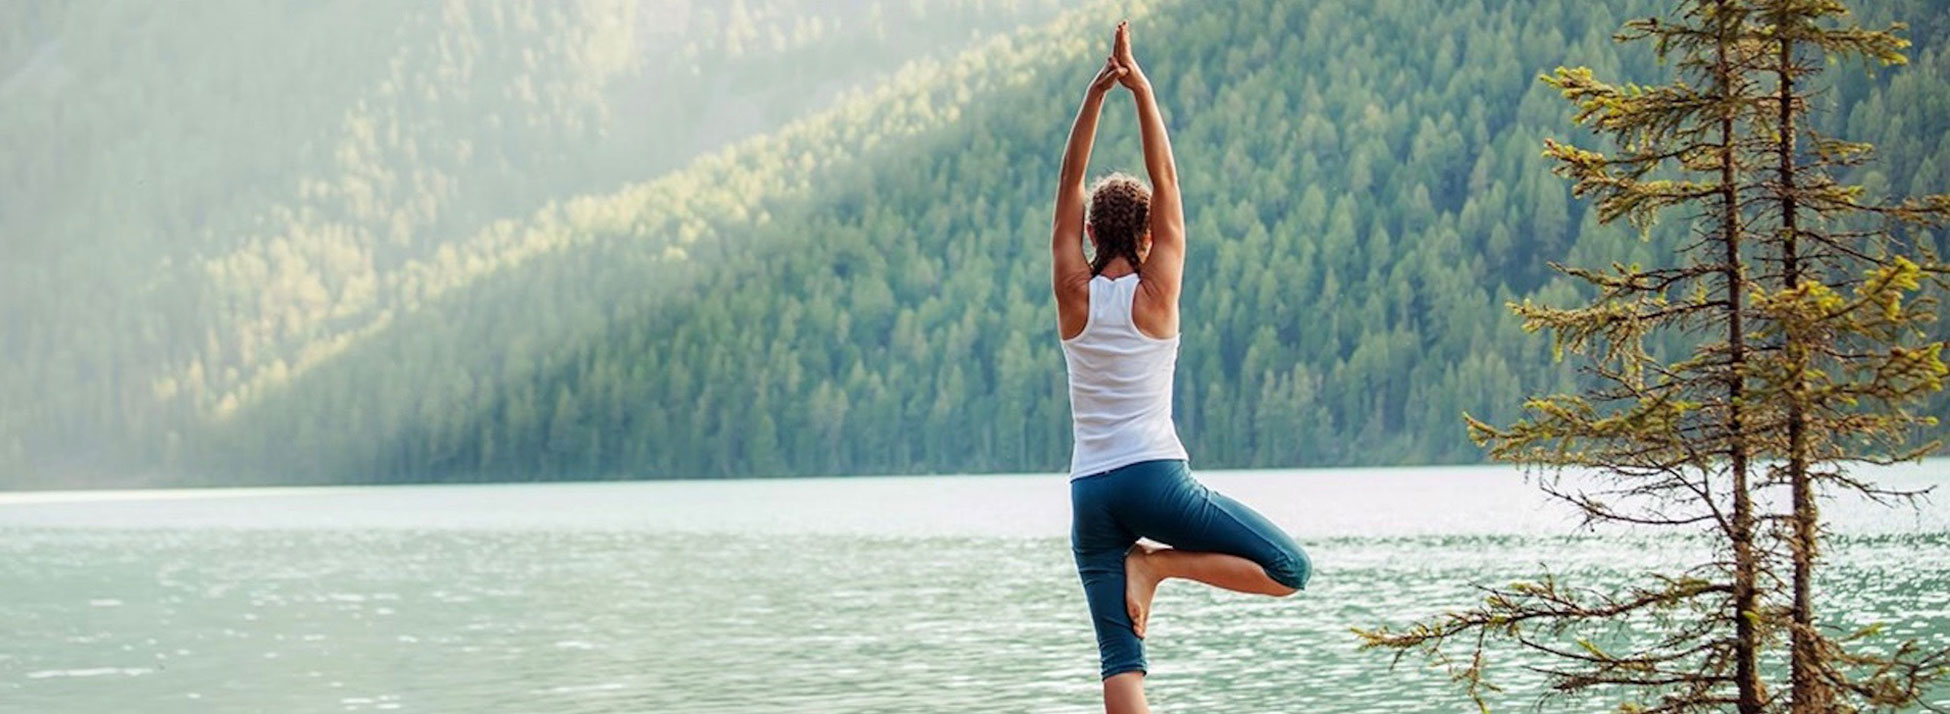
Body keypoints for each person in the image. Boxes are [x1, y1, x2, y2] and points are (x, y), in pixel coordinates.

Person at [1050, 21, 1313, 714]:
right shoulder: (1155, 296)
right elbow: (1164, 179)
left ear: (1085, 235)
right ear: (1146, 235)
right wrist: (1143, 91)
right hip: (1154, 480)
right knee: (1291, 568)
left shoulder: (1073, 296)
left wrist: (1093, 97)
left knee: (1120, 660)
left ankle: (1145, 569)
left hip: (1089, 495)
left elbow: (1068, 182)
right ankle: (1158, 566)